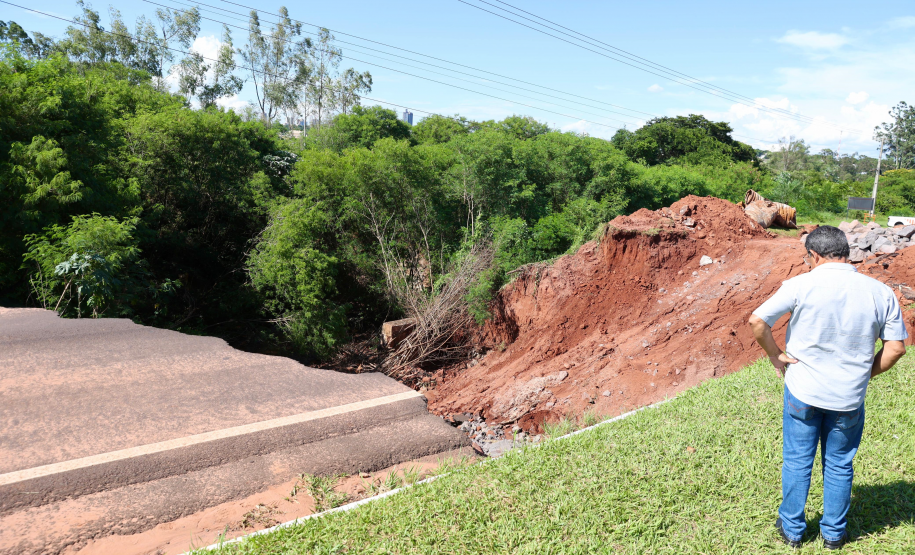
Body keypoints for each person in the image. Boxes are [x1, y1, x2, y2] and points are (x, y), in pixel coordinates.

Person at [748, 225, 908, 550]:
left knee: (797, 460)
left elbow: (757, 322)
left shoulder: (800, 285)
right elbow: (896, 349)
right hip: (848, 399)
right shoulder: (880, 292)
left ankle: (792, 531)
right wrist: (865, 375)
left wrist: (775, 356)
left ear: (814, 255)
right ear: (846, 253)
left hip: (803, 392)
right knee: (839, 464)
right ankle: (834, 535)